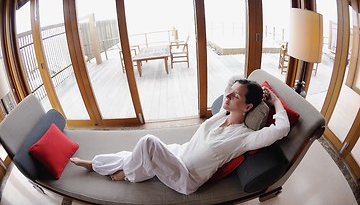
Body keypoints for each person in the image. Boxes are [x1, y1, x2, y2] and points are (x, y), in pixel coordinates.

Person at [70, 76, 290, 195]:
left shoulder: (245, 137)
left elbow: (281, 129)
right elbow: (232, 81)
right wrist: (247, 85)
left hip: (186, 177)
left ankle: (126, 174)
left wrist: (275, 102)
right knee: (133, 153)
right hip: (180, 153)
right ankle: (94, 164)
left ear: (247, 106)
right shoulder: (223, 112)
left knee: (148, 143)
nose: (228, 95)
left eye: (235, 95)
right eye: (229, 92)